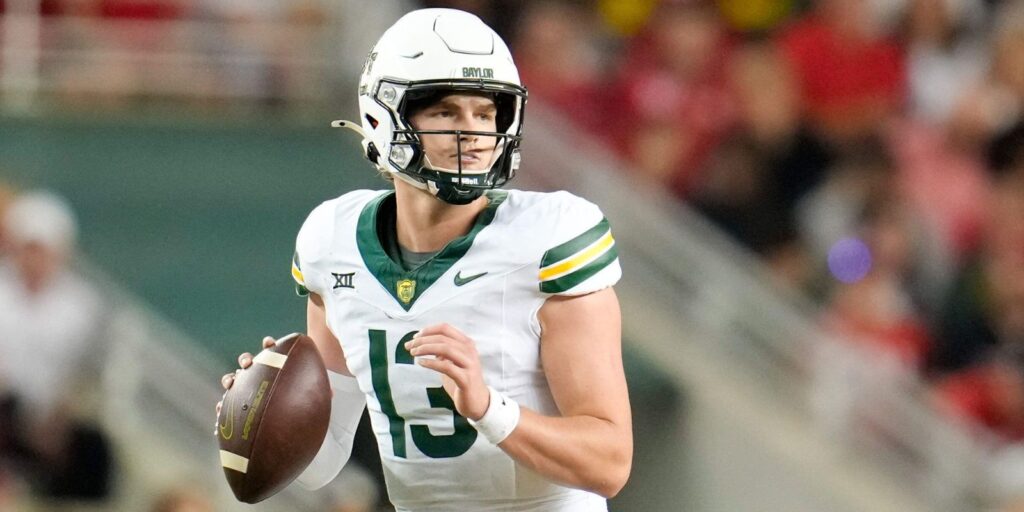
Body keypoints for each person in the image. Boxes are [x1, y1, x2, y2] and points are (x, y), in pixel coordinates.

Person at [218, 7, 632, 512]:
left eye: (486, 113)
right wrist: (261, 418)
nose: (475, 134)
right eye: (446, 113)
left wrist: (489, 409)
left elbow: (610, 463)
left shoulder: (547, 240)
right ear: (382, 117)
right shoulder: (333, 243)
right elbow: (321, 463)